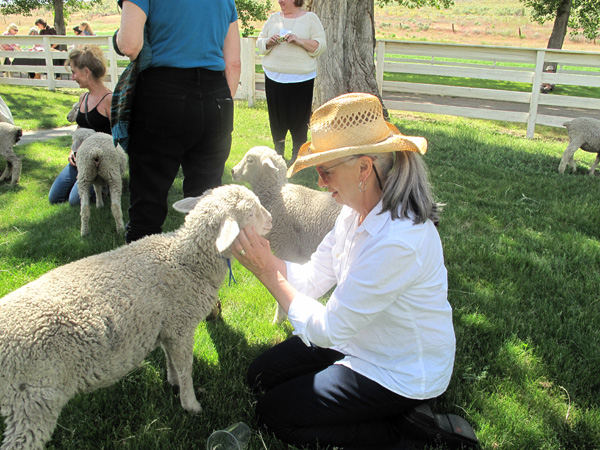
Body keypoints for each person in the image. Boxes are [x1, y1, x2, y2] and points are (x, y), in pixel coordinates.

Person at [232, 93, 471, 449]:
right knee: (261, 376)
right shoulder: (353, 210)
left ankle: (413, 434)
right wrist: (266, 259)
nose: (320, 182)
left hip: (400, 370)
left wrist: (269, 273)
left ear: (363, 168)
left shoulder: (397, 240)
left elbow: (330, 329)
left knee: (273, 413)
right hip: (359, 340)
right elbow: (313, 277)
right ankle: (381, 413)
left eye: (326, 171)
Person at [116, 0, 241, 243]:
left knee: (148, 202)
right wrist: (220, 103)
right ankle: (202, 274)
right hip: (217, 96)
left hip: (163, 91)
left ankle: (142, 275)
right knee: (206, 205)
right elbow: (233, 64)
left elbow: (129, 45)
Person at [256, 0, 326, 161]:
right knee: (276, 118)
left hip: (301, 78)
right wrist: (269, 42)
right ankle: (278, 153)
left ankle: (297, 154)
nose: (280, 1)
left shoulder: (311, 19)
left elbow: (321, 46)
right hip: (274, 76)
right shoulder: (273, 18)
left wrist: (299, 40)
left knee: (299, 118)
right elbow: (260, 43)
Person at [48, 45, 112, 206]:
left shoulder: (109, 99)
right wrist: (72, 150)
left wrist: (101, 160)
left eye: (74, 72)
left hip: (100, 162)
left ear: (86, 72)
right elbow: (80, 128)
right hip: (79, 158)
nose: (73, 77)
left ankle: (107, 185)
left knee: (75, 201)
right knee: (54, 198)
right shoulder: (83, 97)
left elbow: (118, 135)